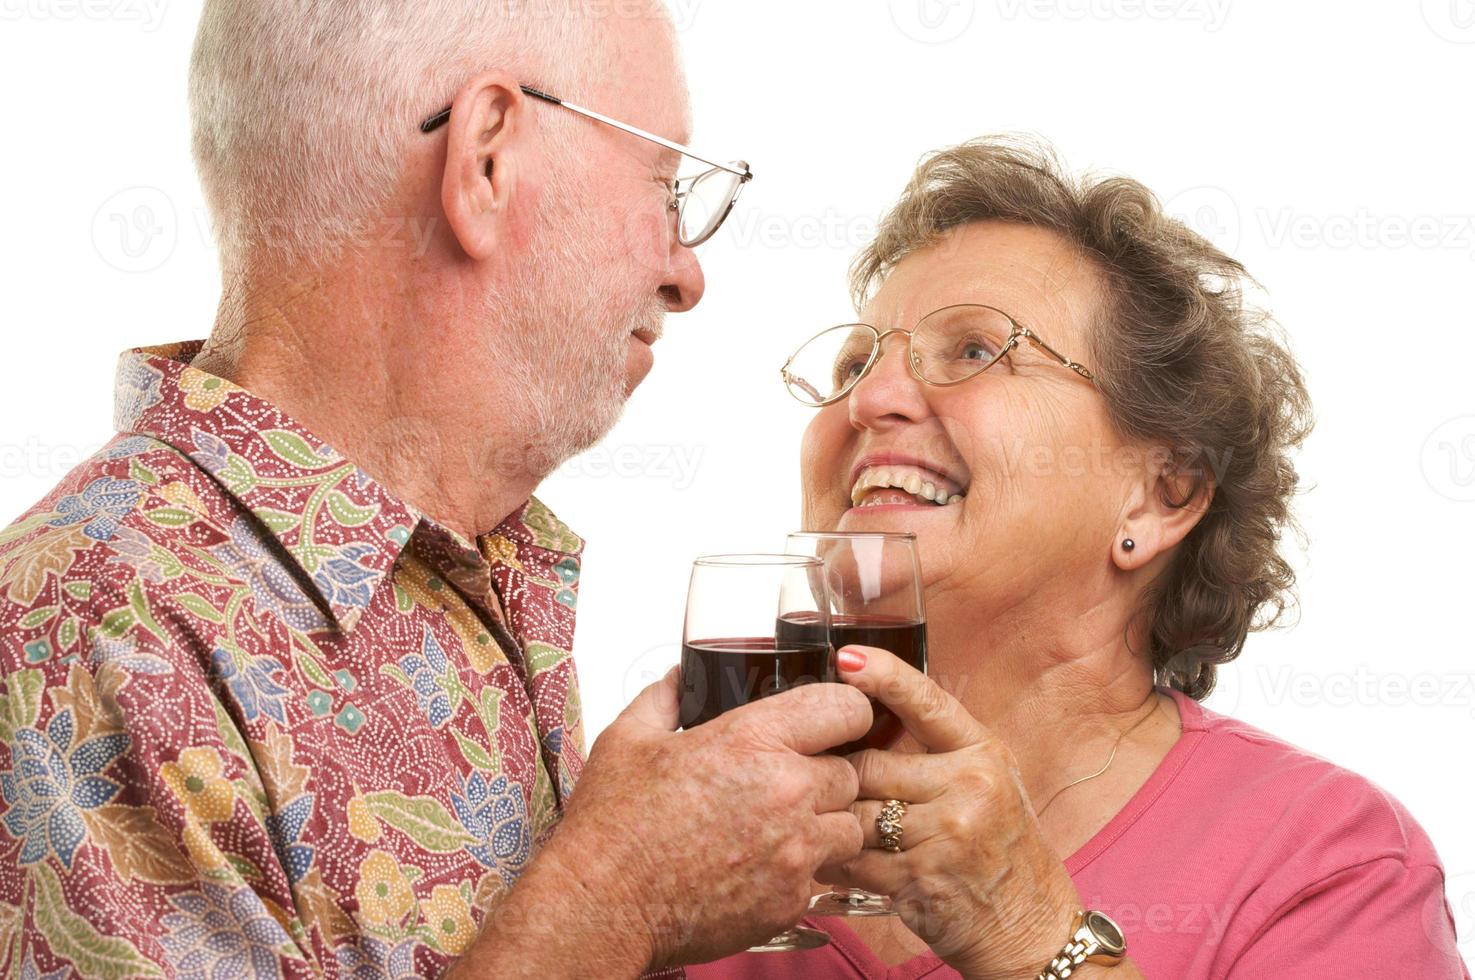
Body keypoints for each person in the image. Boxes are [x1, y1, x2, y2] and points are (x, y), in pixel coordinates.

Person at [0, 1, 872, 976]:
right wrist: (613, 900)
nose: (685, 273)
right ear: (486, 160)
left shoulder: (461, 571)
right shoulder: (91, 631)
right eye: (664, 184)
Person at [692, 137, 1470, 978]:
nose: (869, 398)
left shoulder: (1326, 862)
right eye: (854, 363)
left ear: (1160, 495)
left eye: (975, 350)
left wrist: (1025, 930)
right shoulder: (688, 810)